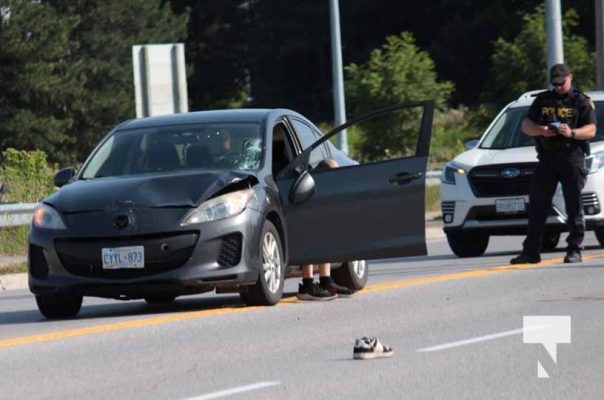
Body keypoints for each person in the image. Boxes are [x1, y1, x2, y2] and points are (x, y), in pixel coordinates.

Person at [511, 64, 596, 265]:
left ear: (570, 78)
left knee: (574, 205)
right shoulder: (542, 100)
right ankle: (531, 251)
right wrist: (540, 130)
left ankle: (574, 249)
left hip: (571, 156)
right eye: (555, 83)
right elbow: (526, 125)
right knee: (537, 204)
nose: (558, 87)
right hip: (547, 158)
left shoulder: (581, 101)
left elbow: (591, 130)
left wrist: (572, 132)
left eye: (562, 83)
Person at [296, 158, 357, 300]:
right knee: (312, 233)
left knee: (325, 232)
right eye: (332, 173)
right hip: (302, 227)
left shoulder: (327, 188)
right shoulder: (307, 186)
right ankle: (307, 284)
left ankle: (326, 280)